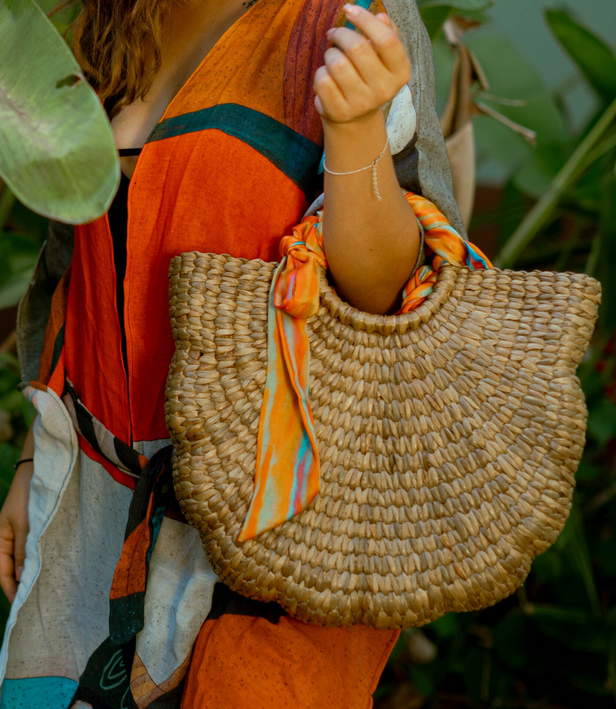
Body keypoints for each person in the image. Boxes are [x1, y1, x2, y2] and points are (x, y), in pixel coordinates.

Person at [0, 0, 467, 706]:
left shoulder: (347, 19)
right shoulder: (107, 20)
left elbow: (394, 294)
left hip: (262, 533)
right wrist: (39, 454)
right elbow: (74, 263)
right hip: (90, 517)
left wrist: (355, 132)